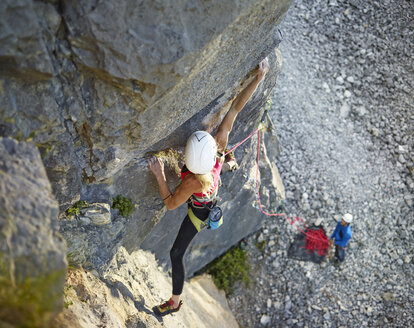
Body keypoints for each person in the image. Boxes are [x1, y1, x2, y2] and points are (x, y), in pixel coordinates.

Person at [148, 57, 270, 316]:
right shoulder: (218, 146)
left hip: (199, 211)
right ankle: (231, 164)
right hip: (209, 195)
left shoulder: (192, 181)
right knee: (176, 252)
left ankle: (174, 303)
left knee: (176, 253)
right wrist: (258, 78)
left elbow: (170, 203)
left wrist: (159, 175)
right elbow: (235, 109)